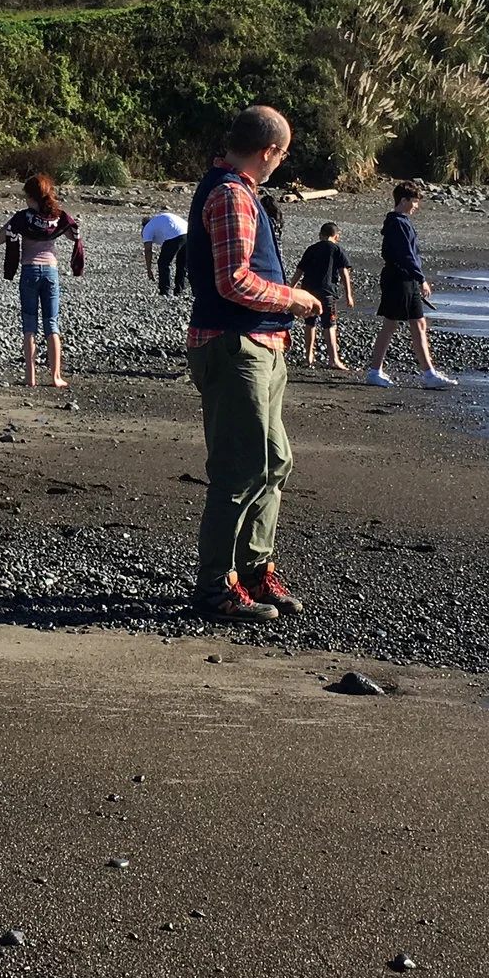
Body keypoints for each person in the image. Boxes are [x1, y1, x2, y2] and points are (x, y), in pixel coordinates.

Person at [183, 105, 324, 623]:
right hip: (234, 346)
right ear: (269, 151)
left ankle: (254, 569)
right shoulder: (230, 195)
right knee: (240, 470)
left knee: (275, 461)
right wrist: (293, 298)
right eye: (282, 155)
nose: (280, 164)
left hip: (257, 345)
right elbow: (233, 281)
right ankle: (217, 588)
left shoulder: (233, 190)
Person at [363, 179, 457, 390]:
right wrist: (420, 277)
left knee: (419, 323)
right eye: (414, 201)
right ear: (403, 200)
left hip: (407, 278)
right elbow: (405, 255)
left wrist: (418, 277)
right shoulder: (396, 223)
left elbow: (410, 254)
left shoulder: (402, 222)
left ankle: (429, 373)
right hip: (398, 278)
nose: (416, 206)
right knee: (391, 324)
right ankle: (374, 371)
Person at [0, 174, 84, 387]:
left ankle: (30, 376)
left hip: (29, 270)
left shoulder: (23, 218)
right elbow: (73, 235)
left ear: (28, 196)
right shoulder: (57, 216)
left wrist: (11, 226)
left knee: (29, 326)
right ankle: (55, 376)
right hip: (51, 271)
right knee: (52, 324)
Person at [293, 220, 356, 369]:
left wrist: (291, 288)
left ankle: (309, 356)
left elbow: (299, 271)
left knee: (310, 323)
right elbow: (344, 273)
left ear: (320, 235)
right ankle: (333, 359)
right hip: (327, 293)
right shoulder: (337, 249)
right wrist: (349, 295)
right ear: (336, 236)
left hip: (309, 292)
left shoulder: (311, 249)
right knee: (329, 325)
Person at [140, 208, 188, 295]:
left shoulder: (147, 228)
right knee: (182, 264)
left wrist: (149, 269)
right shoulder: (157, 222)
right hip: (187, 232)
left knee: (163, 263)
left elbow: (148, 250)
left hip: (175, 235)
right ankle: (179, 290)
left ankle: (164, 291)